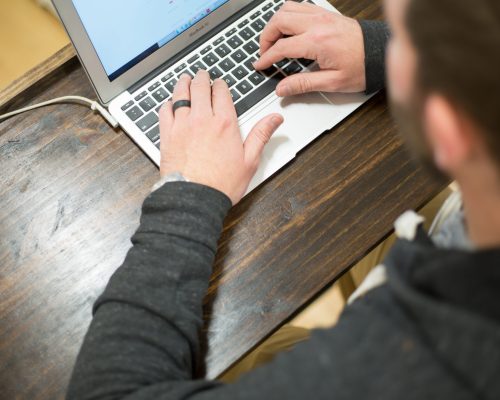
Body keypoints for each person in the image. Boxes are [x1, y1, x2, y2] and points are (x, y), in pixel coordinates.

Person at [66, 0, 500, 398]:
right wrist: (379, 48)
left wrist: (190, 189)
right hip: (448, 242)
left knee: (262, 354)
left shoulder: (395, 371)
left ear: (448, 129)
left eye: (409, 42)